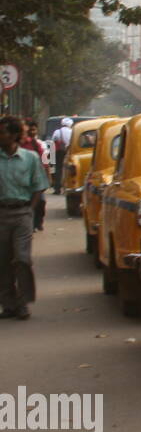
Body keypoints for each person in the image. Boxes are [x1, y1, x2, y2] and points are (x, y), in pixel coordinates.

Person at [0, 115, 48, 319]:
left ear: (14, 135)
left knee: (22, 259)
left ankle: (23, 302)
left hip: (22, 214)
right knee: (2, 261)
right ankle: (8, 304)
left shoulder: (30, 158)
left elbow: (39, 185)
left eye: (2, 132)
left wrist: (31, 209)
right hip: (1, 214)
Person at [19, 120, 47, 231]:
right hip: (22, 180)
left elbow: (44, 161)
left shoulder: (38, 144)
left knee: (40, 201)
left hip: (36, 177)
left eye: (33, 130)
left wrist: (47, 176)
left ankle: (37, 222)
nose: (31, 132)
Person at [51, 116, 73, 194]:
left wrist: (51, 156)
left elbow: (53, 142)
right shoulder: (72, 131)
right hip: (68, 152)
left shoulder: (57, 131)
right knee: (68, 170)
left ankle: (57, 189)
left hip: (59, 153)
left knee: (58, 170)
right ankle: (67, 187)